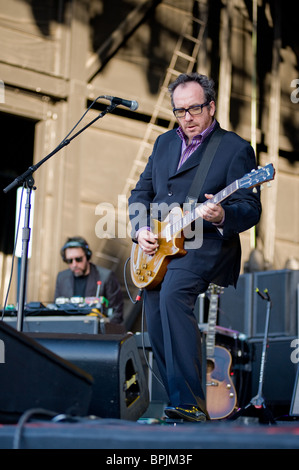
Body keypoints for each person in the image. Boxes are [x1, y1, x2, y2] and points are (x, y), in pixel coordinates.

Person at [128, 73, 261, 422]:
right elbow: (140, 194)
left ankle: (190, 404)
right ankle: (174, 402)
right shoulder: (162, 144)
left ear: (211, 106)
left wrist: (221, 214)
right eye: (180, 110)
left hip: (207, 246)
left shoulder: (234, 148)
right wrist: (141, 229)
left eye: (195, 108)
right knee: (154, 311)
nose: (187, 117)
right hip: (160, 245)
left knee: (173, 294)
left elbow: (250, 208)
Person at [54, 236, 124, 324]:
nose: (74, 264)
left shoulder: (106, 276)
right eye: (69, 261)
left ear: (87, 256)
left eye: (78, 259)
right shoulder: (62, 278)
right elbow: (56, 309)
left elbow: (117, 314)